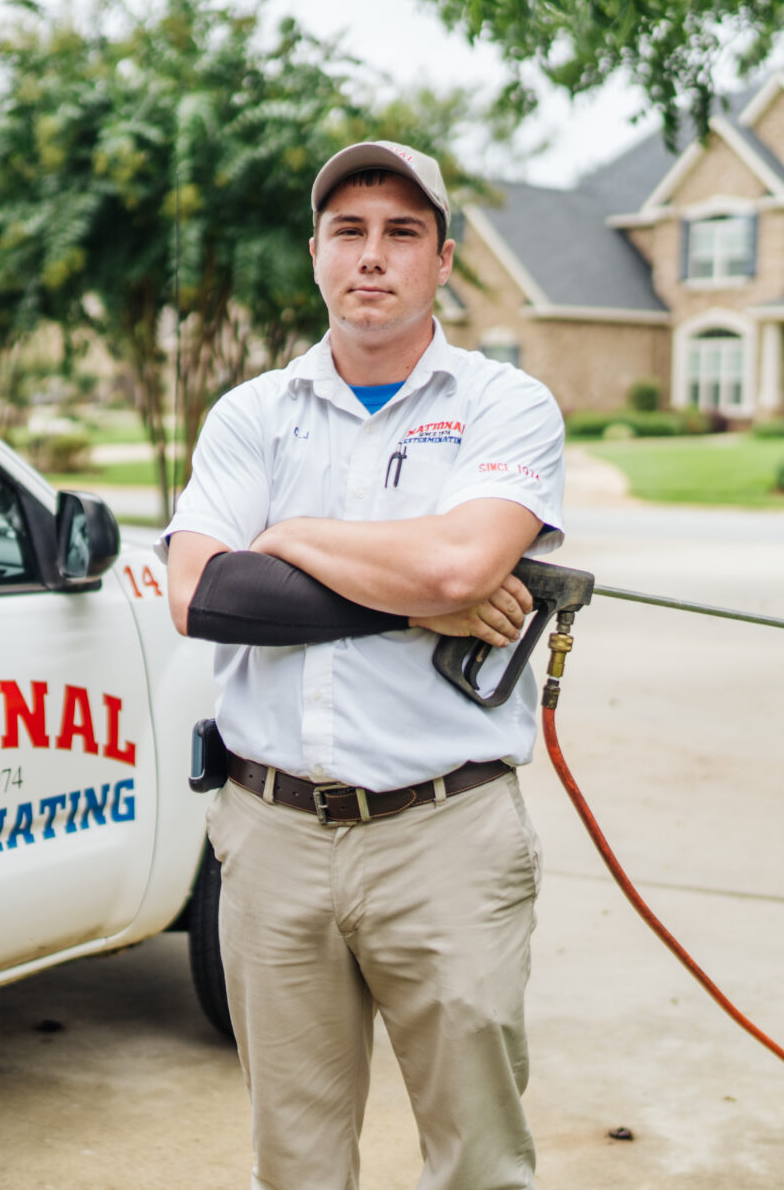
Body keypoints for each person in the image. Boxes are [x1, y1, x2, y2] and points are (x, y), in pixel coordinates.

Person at [161, 140, 567, 1190]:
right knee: (294, 1162)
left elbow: (461, 558)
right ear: (316, 255)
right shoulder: (254, 413)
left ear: (442, 259)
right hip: (272, 834)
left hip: (447, 834)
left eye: (401, 233)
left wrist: (285, 535)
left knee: (479, 1160)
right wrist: (425, 597)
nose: (372, 257)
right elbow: (205, 594)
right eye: (349, 231)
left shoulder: (504, 405)